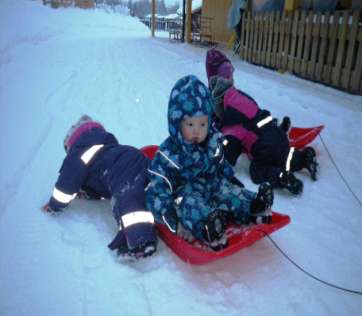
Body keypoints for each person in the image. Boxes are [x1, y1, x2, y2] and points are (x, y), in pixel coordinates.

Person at [145, 75, 273, 251]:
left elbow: (221, 165)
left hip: (214, 185)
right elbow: (156, 191)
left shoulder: (214, 142)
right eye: (190, 124)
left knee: (229, 193)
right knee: (189, 205)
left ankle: (254, 205)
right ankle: (208, 226)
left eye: (203, 124)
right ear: (177, 123)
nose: (197, 130)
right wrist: (173, 221)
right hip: (186, 192)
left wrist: (231, 181)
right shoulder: (168, 155)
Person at [42, 115, 157, 259]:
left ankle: (141, 241)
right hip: (134, 157)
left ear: (72, 143)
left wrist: (54, 205)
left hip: (120, 168)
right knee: (140, 189)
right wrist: (89, 193)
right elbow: (100, 182)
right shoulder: (103, 149)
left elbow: (67, 183)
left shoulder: (78, 153)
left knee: (127, 199)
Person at [209, 74, 319, 195]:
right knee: (284, 157)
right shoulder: (242, 102)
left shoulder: (233, 127)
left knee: (257, 171)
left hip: (265, 147)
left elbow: (228, 156)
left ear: (220, 105)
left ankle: (282, 177)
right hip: (277, 134)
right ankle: (304, 158)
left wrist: (216, 155)